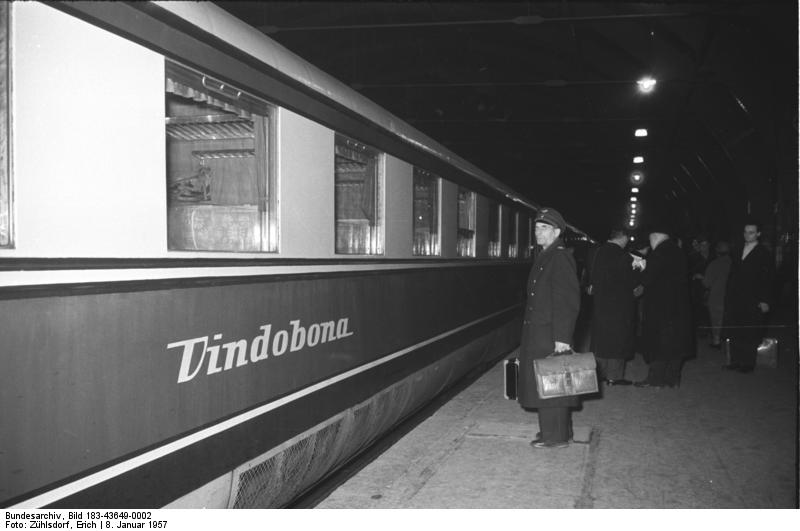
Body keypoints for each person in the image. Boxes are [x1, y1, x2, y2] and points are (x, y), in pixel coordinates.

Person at [518, 208, 581, 449]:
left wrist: (562, 338)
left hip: (550, 334)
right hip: (540, 331)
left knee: (553, 386)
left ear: (556, 232)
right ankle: (554, 431)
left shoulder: (560, 257)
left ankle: (556, 437)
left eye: (544, 228)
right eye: (536, 228)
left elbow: (567, 301)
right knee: (545, 385)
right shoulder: (547, 254)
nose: (538, 232)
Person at [634, 223, 693, 388]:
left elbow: (647, 278)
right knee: (675, 344)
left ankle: (655, 379)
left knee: (657, 343)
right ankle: (673, 379)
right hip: (678, 307)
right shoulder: (679, 252)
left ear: (655, 237)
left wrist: (639, 269)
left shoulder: (658, 253)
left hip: (659, 307)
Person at [588, 228, 639, 385]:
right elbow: (630, 281)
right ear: (623, 238)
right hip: (619, 305)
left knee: (601, 339)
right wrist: (638, 268)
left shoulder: (596, 252)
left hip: (601, 303)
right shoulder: (623, 256)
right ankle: (614, 377)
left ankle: (600, 374)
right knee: (618, 340)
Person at [722, 220, 775, 372]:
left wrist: (765, 300)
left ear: (758, 233)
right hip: (736, 298)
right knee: (736, 329)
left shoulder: (764, 253)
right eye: (745, 232)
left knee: (750, 331)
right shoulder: (737, 250)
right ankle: (735, 361)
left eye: (751, 232)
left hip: (753, 298)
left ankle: (747, 363)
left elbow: (769, 279)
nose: (747, 235)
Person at [702, 241, 732, 347]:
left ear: (717, 252)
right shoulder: (733, 263)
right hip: (731, 297)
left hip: (716, 297)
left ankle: (716, 341)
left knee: (716, 320)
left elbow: (706, 283)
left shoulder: (714, 264)